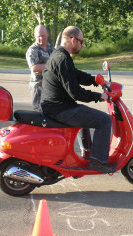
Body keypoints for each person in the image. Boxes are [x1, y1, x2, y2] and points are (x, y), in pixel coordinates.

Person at [41, 26, 116, 173]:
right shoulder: (62, 59)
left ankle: (87, 154)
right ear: (73, 39)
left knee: (85, 115)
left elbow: (75, 75)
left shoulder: (59, 55)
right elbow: (75, 93)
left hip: (57, 106)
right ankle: (98, 161)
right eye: (81, 42)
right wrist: (99, 96)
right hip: (59, 109)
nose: (82, 45)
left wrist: (96, 80)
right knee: (104, 120)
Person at [26, 25, 54, 112]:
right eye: (38, 36)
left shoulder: (52, 48)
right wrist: (52, 66)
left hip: (50, 88)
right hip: (38, 88)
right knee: (40, 115)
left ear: (48, 34)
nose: (41, 38)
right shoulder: (33, 50)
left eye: (43, 36)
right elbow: (34, 68)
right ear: (34, 35)